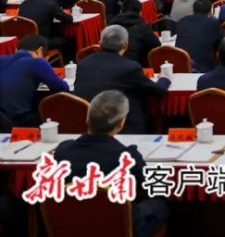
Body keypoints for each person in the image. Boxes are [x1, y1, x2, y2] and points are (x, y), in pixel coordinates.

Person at [54, 91, 170, 237]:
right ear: (121, 123)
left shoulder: (63, 151)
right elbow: (149, 185)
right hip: (121, 225)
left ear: (87, 119)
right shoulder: (127, 157)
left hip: (72, 225)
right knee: (161, 204)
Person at [73, 25, 171, 133]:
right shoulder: (129, 67)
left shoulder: (83, 63)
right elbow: (158, 90)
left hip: (85, 123)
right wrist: (164, 78)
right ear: (126, 45)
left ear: (100, 43)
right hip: (120, 125)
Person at [0, 35, 69, 127]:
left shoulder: (2, 60)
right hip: (18, 120)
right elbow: (63, 87)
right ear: (40, 51)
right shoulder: (38, 62)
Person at [175, 0, 224, 73]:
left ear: (193, 11)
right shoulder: (213, 22)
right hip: (203, 68)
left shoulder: (182, 21)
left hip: (180, 68)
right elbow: (223, 42)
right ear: (210, 12)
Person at [111, 0, 161, 67]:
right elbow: (156, 47)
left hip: (110, 64)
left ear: (121, 11)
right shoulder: (143, 27)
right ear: (140, 12)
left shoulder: (111, 25)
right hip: (134, 66)